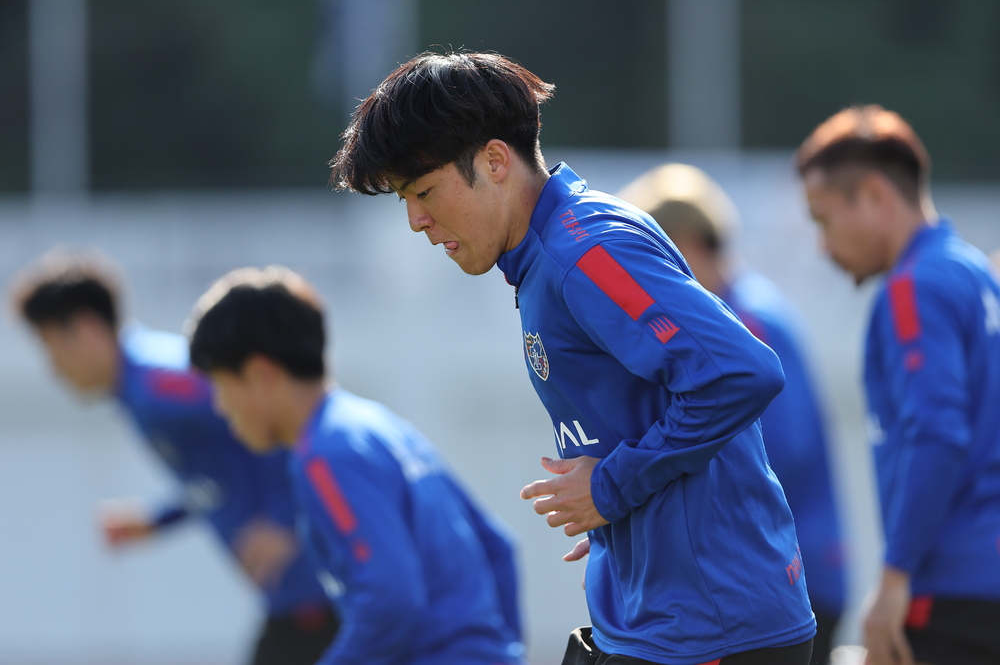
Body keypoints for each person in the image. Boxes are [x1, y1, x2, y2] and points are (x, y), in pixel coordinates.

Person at [330, 50, 816, 665]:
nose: (416, 221)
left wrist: (611, 489)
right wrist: (630, 520)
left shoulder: (585, 252)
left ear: (495, 161)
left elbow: (741, 372)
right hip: (660, 620)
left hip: (709, 628)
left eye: (423, 191)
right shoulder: (546, 255)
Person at [186, 266, 524, 665]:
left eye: (220, 386)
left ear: (261, 374)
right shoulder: (380, 426)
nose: (219, 407)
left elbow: (390, 601)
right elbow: (497, 547)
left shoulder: (326, 455)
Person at [11, 252, 338, 665]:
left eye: (50, 346)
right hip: (293, 598)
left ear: (86, 328)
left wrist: (281, 517)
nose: (53, 368)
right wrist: (157, 520)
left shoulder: (159, 385)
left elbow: (274, 414)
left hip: (316, 593)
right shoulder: (137, 388)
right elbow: (216, 478)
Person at [617, 163, 846, 665]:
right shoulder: (744, 312)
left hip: (782, 575)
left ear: (685, 245)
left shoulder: (747, 321)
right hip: (769, 573)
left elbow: (780, 449)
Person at [797, 105, 1000, 665]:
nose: (823, 245)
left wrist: (894, 576)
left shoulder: (915, 287)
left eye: (824, 219)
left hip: (955, 591)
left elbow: (938, 434)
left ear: (875, 196)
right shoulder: (975, 275)